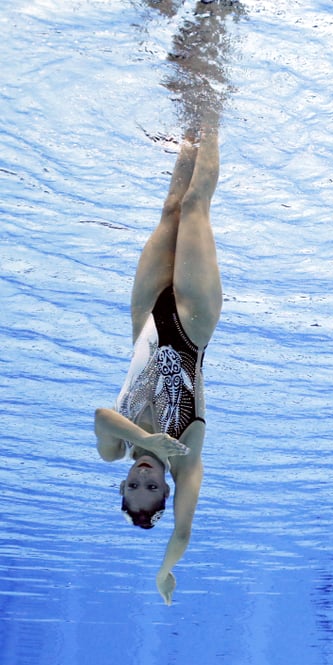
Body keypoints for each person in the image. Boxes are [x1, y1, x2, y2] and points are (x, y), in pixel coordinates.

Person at [93, 120, 222, 605]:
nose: (144, 472)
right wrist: (164, 571)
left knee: (170, 206)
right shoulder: (186, 463)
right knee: (194, 207)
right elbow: (183, 534)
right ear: (165, 488)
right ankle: (212, 113)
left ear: (123, 481)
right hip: (194, 319)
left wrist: (142, 437)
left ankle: (192, 122)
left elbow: (101, 417)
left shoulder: (116, 446)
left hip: (144, 313)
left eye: (133, 483)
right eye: (151, 485)